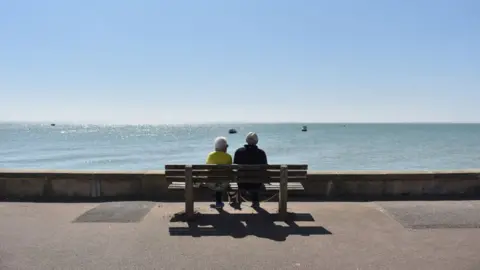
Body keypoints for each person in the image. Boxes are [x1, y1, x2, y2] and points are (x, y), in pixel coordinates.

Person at [233, 132, 268, 208]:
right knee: (256, 180)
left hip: (241, 182)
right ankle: (255, 201)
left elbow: (235, 167)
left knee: (242, 177)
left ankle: (239, 197)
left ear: (246, 140)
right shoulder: (261, 153)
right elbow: (265, 168)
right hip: (256, 183)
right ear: (257, 141)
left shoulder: (238, 152)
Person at [206, 136, 232, 209]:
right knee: (221, 181)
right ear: (224, 147)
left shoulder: (210, 156)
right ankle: (219, 202)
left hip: (211, 183)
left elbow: (207, 170)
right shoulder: (228, 157)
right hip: (224, 183)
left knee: (216, 180)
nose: (227, 148)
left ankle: (218, 202)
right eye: (226, 146)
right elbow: (229, 171)